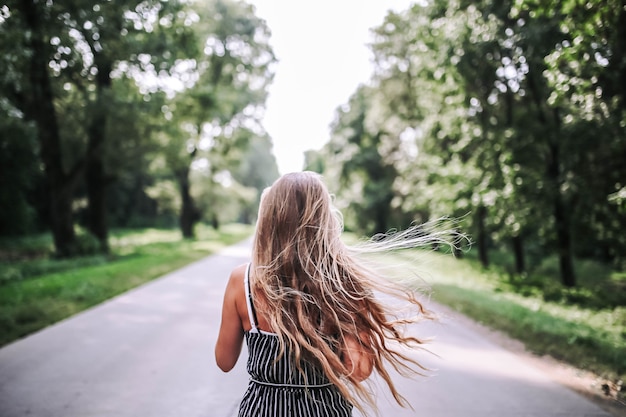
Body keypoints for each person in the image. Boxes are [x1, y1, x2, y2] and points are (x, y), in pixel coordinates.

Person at [215, 171, 453, 416]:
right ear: (324, 221)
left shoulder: (242, 281)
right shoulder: (344, 284)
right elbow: (359, 371)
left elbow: (224, 361)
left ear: (268, 220)